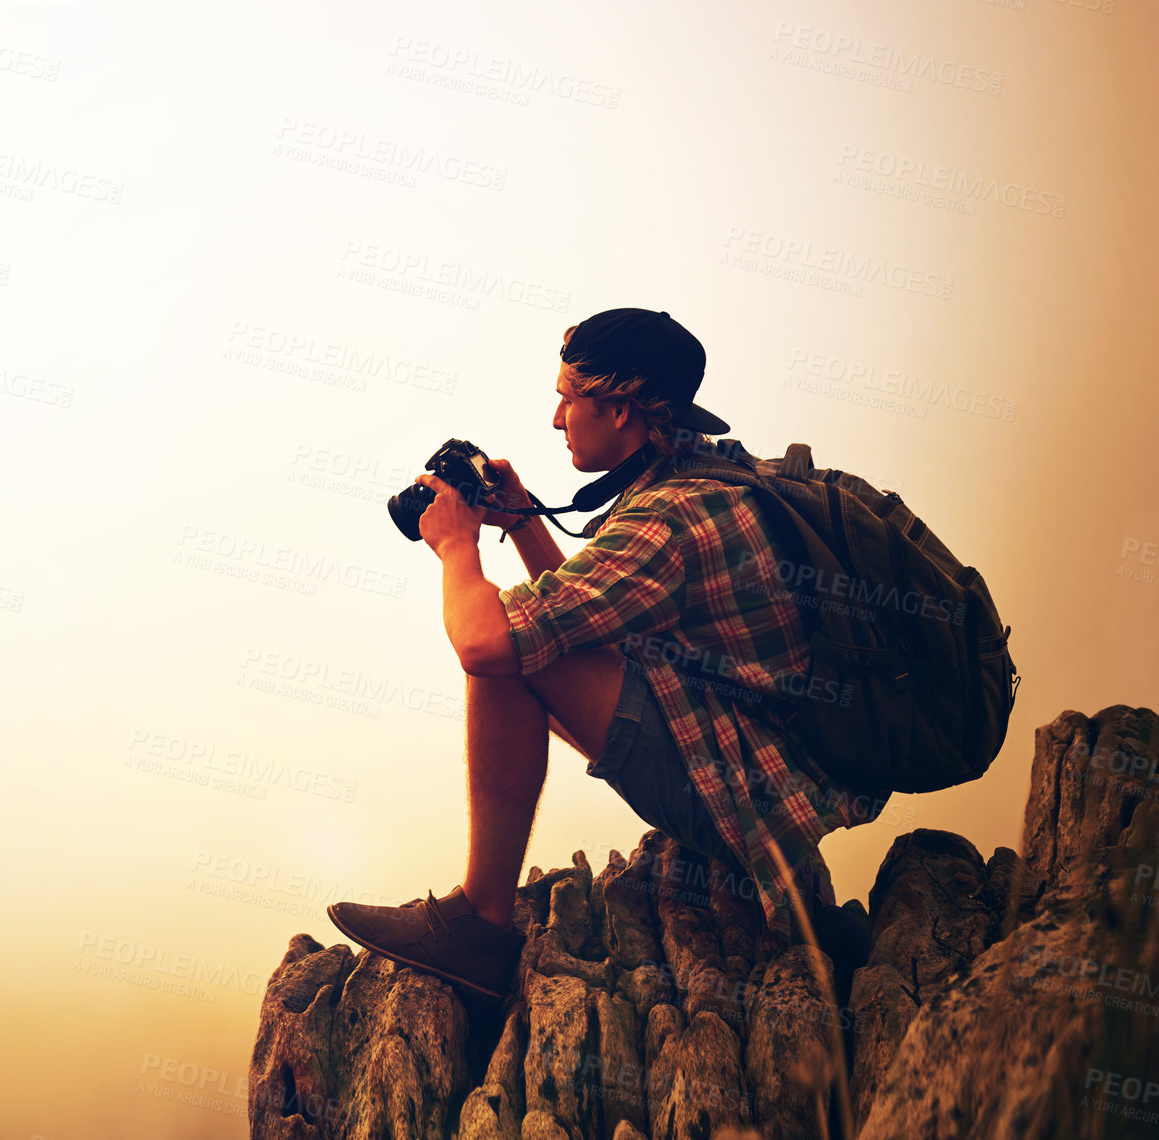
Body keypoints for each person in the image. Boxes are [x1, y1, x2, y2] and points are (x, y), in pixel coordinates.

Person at [326, 307, 879, 1001]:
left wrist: (456, 543)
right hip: (768, 776)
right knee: (528, 639)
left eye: (567, 397)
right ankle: (482, 918)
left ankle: (479, 921)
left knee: (509, 653)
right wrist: (523, 517)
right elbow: (601, 623)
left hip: (740, 798)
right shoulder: (697, 479)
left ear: (618, 410)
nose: (555, 418)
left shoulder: (668, 519)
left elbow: (484, 641)